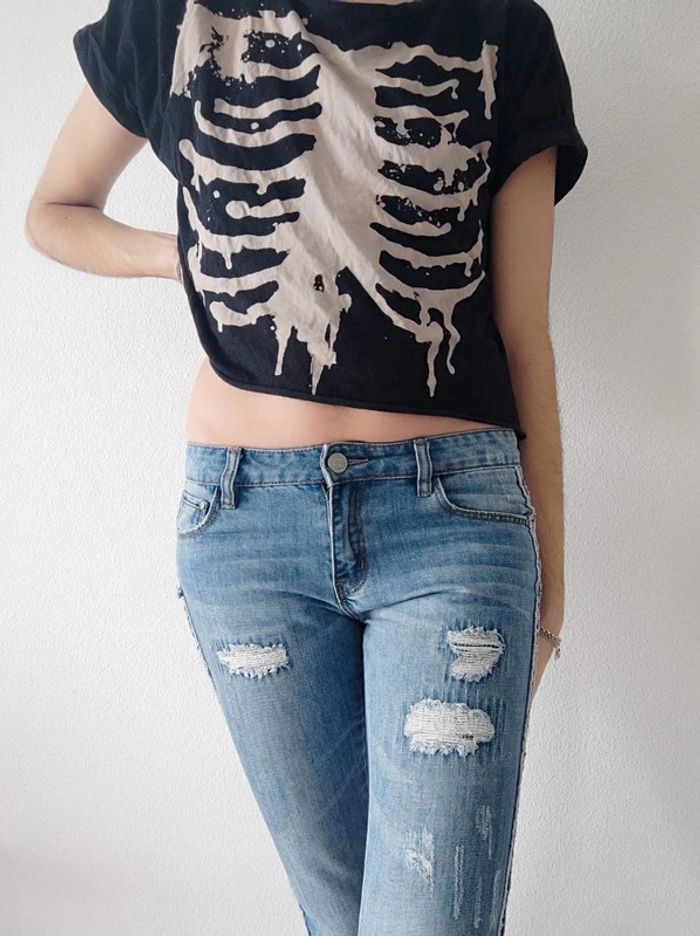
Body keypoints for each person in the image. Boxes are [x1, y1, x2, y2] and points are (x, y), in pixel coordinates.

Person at [25, 0, 588, 932]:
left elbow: (525, 332)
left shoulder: (503, 28)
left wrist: (552, 594)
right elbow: (54, 211)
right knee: (340, 916)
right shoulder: (174, 15)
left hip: (453, 524)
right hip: (245, 531)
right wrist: (183, 257)